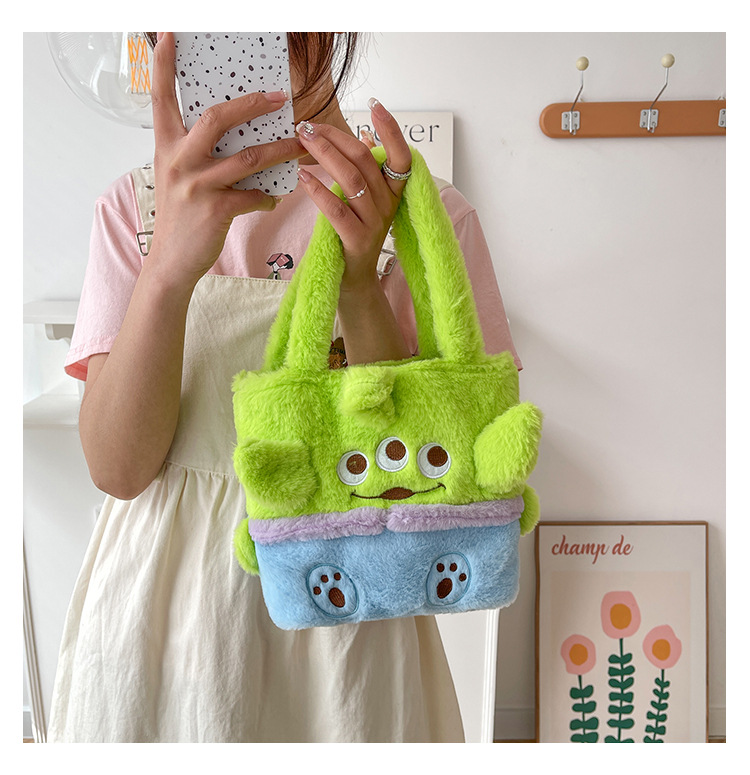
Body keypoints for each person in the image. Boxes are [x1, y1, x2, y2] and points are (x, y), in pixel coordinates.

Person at [48, 32, 521, 743]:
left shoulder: (424, 217)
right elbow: (117, 467)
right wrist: (167, 268)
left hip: (350, 610)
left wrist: (359, 289)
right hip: (163, 619)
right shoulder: (136, 209)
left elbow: (446, 478)